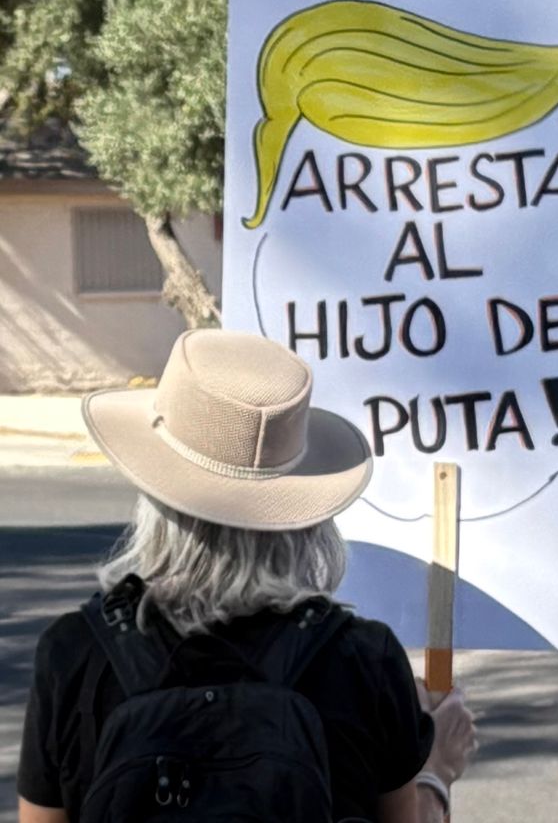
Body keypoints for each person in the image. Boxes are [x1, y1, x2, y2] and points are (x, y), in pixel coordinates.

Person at [17, 329, 476, 823]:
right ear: (306, 518)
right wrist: (435, 774)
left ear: (154, 497)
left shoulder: (75, 654)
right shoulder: (363, 660)